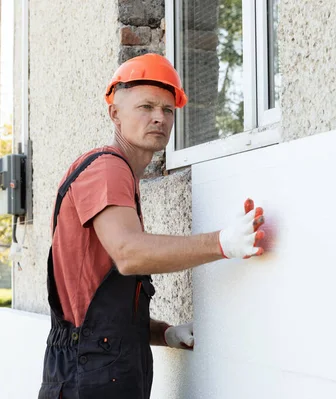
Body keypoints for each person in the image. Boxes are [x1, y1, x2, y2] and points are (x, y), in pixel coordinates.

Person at [38, 53, 266, 399]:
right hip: (92, 380)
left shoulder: (115, 177)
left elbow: (97, 319)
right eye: (146, 107)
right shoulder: (107, 168)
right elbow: (129, 253)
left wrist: (164, 333)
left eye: (168, 110)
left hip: (92, 372)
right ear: (115, 113)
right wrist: (223, 242)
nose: (159, 118)